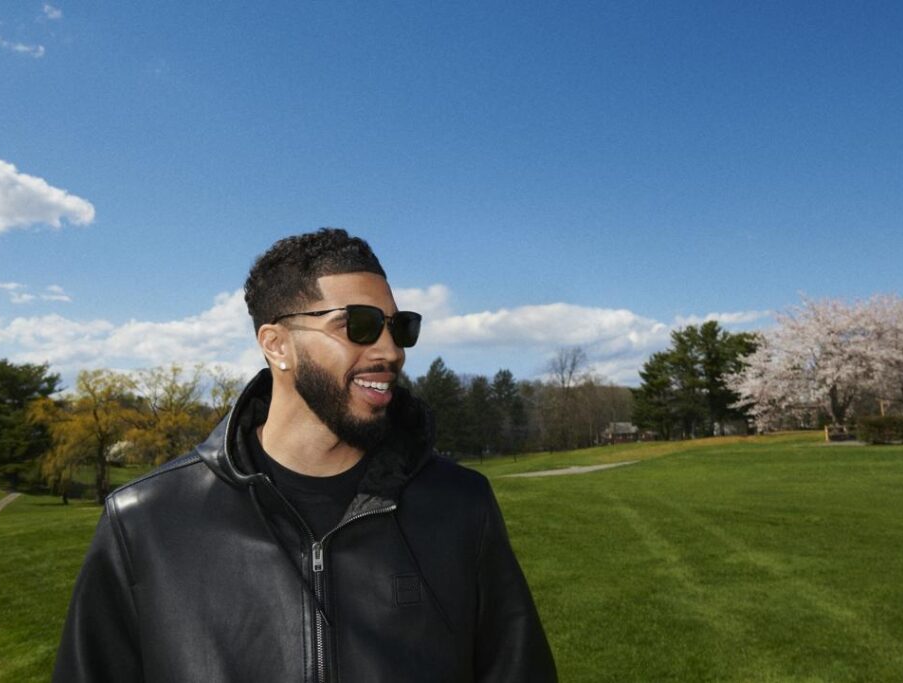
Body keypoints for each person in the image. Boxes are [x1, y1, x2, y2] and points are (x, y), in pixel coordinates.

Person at [53, 228, 557, 682]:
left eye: (399, 327)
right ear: (277, 345)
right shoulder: (145, 522)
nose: (391, 350)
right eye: (358, 325)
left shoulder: (460, 505)